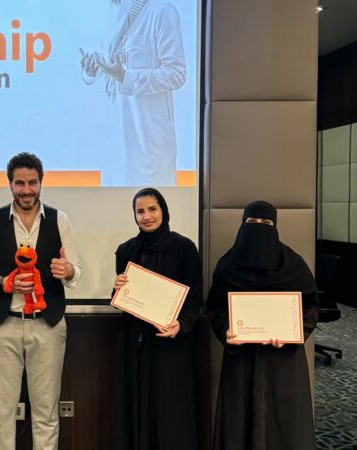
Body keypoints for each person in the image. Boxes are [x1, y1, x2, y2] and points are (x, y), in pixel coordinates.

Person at [0, 152, 81, 450]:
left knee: (46, 413)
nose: (27, 190)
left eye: (32, 182)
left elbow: (75, 270)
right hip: (2, 325)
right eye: (20, 183)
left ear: (41, 183)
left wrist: (69, 271)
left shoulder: (60, 220)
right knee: (2, 414)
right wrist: (2, 282)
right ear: (10, 184)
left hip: (48, 326)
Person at [206, 201, 318, 450]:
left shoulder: (293, 264)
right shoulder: (228, 265)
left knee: (285, 427)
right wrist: (226, 332)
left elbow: (311, 307)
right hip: (242, 361)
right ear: (242, 225)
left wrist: (293, 333)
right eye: (252, 222)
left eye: (266, 223)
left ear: (275, 227)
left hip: (283, 362)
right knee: (239, 423)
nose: (258, 228)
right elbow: (215, 307)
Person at [113, 187, 201, 449]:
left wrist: (181, 325)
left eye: (152, 209)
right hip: (135, 345)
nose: (147, 216)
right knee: (137, 407)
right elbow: (124, 299)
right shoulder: (126, 250)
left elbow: (195, 296)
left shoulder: (184, 248)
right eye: (140, 211)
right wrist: (118, 288)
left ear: (163, 210)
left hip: (170, 343)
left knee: (170, 413)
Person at [80, 0, 186, 186]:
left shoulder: (162, 12)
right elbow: (105, 69)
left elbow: (176, 74)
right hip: (114, 141)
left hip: (148, 141)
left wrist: (125, 76)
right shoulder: (109, 14)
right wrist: (91, 70)